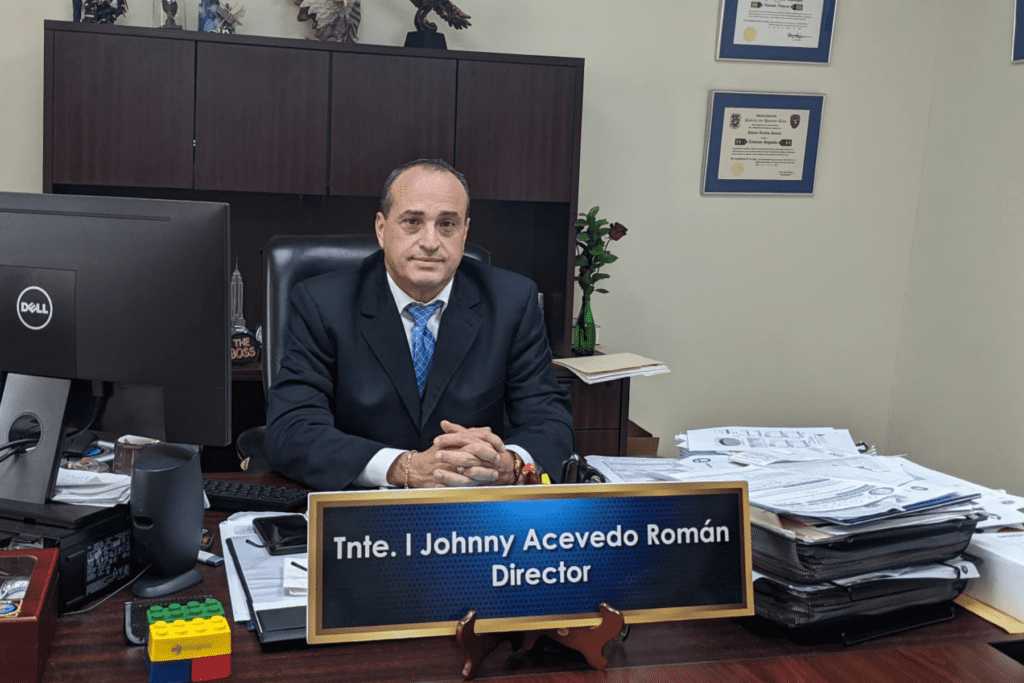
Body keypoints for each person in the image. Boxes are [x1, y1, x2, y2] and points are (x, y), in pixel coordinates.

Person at [264, 159, 574, 490]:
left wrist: (510, 464)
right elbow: (291, 430)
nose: (430, 242)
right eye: (412, 222)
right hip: (362, 503)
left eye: (447, 224)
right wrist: (403, 467)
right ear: (381, 229)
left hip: (472, 503)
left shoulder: (511, 301)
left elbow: (551, 422)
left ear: (465, 232)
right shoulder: (324, 303)